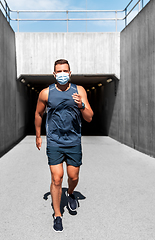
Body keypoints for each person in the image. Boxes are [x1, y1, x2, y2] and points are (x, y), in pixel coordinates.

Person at [35, 59, 94, 232]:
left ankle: (70, 194)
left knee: (73, 177)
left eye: (65, 71)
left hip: (74, 141)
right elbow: (38, 114)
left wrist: (81, 105)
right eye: (59, 71)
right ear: (54, 74)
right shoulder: (46, 93)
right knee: (57, 178)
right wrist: (38, 136)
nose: (62, 74)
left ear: (70, 72)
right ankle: (58, 215)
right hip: (54, 142)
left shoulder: (79, 90)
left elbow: (89, 117)